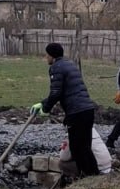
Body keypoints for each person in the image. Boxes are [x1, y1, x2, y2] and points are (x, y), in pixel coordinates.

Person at [32, 43, 100, 179]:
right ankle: (94, 176)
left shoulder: (56, 68)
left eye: (47, 54)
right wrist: (43, 102)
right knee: (85, 146)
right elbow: (64, 90)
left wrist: (45, 108)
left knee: (76, 148)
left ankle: (86, 177)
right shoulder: (69, 65)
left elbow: (56, 92)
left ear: (51, 55)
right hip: (87, 109)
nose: (45, 57)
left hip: (76, 112)